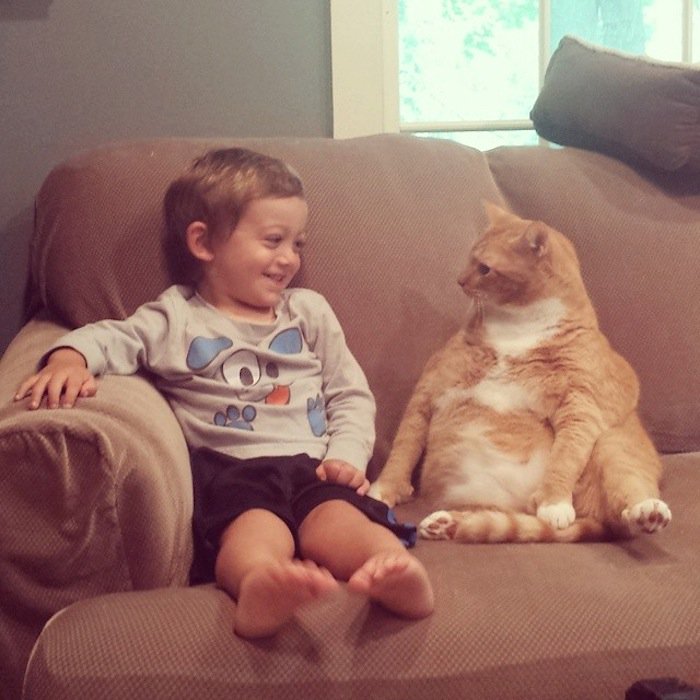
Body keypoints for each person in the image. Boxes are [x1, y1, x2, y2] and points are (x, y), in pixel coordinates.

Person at [14, 147, 434, 638]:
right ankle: (261, 584)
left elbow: (349, 394)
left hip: (315, 467)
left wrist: (346, 457)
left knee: (341, 521)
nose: (289, 258)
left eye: (297, 243)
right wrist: (69, 358)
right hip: (233, 472)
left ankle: (393, 570)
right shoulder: (176, 317)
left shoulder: (308, 312)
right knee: (254, 529)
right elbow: (112, 337)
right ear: (203, 242)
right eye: (273, 240)